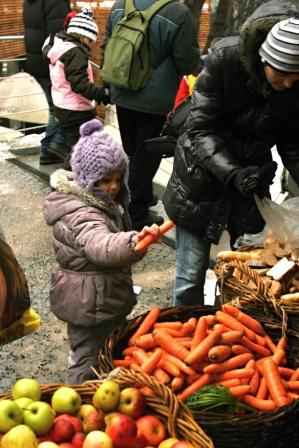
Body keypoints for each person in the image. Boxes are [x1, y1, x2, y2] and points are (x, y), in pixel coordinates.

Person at [163, 0, 299, 307]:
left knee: (248, 271)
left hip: (251, 183)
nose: (289, 83)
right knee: (190, 276)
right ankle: (186, 332)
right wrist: (232, 172)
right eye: (283, 74)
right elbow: (199, 130)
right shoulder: (225, 60)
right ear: (264, 59)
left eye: (297, 78)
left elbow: (291, 140)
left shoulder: (293, 87)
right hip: (200, 183)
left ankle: (233, 329)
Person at [44, 118, 160, 383]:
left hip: (99, 296)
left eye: (118, 179)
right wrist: (133, 241)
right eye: (104, 180)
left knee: (109, 348)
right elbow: (101, 246)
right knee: (87, 357)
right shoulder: (83, 213)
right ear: (85, 178)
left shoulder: (99, 201)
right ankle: (76, 401)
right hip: (89, 301)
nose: (113, 186)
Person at [103, 0, 201, 230]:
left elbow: (108, 45)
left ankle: (139, 196)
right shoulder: (178, 13)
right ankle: (135, 214)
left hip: (121, 90)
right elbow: (187, 61)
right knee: (145, 158)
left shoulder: (120, 5)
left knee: (133, 151)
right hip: (154, 100)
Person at [43, 8, 110, 168]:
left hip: (62, 104)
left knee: (74, 144)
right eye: (90, 40)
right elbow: (79, 84)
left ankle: (64, 161)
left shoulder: (60, 47)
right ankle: (73, 177)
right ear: (83, 36)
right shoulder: (75, 53)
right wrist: (102, 94)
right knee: (80, 150)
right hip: (76, 109)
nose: (91, 45)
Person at [23, 0, 70, 165]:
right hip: (51, 63)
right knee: (59, 108)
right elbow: (58, 35)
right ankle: (50, 149)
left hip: (35, 60)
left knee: (53, 107)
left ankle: (52, 148)